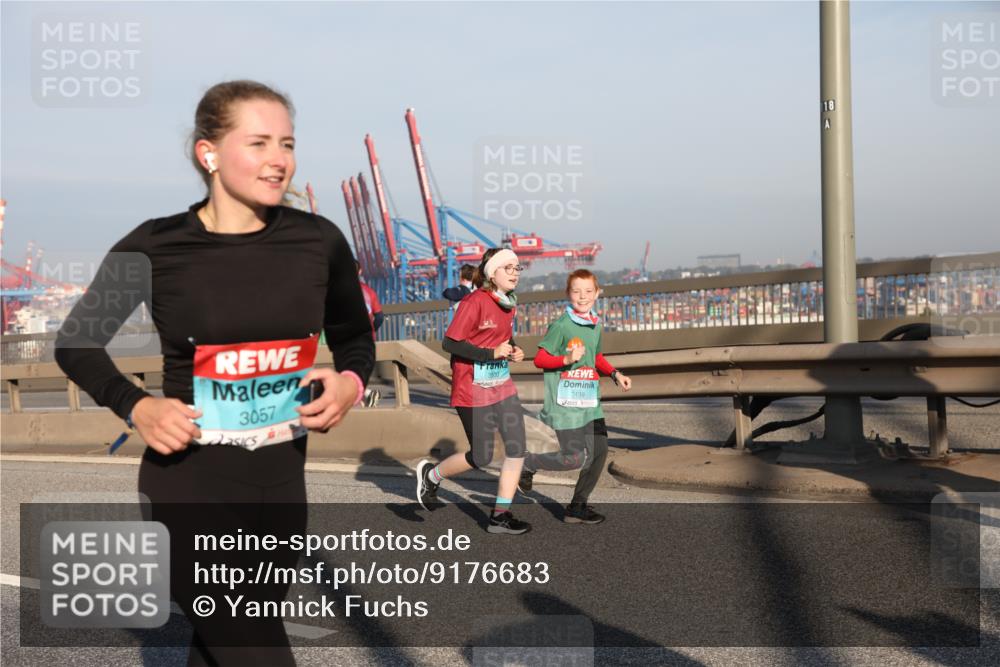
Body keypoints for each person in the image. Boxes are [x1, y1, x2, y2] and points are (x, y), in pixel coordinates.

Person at [55, 80, 375, 666]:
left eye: (287, 143)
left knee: (221, 647)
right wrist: (137, 405)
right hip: (189, 487)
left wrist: (350, 383)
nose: (279, 160)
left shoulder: (319, 240)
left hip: (280, 487)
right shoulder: (155, 246)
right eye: (258, 143)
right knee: (256, 653)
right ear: (209, 153)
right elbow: (77, 342)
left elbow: (356, 338)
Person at [415, 248, 531, 534]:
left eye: (518, 268)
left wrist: (514, 349)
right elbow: (451, 344)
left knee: (517, 447)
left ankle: (499, 516)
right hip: (472, 388)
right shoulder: (474, 301)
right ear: (493, 273)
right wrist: (491, 354)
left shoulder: (509, 303)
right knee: (482, 457)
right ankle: (432, 475)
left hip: (501, 385)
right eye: (509, 268)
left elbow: (503, 337)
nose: (515, 273)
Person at [517, 269, 632, 524]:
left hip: (589, 402)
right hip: (566, 404)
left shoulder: (595, 324)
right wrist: (566, 359)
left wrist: (615, 374)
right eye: (577, 291)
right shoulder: (561, 325)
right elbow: (539, 359)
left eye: (588, 291)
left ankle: (577, 507)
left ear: (597, 293)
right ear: (568, 294)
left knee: (600, 452)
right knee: (574, 458)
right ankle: (529, 462)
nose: (583, 297)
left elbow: (596, 358)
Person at [357, 259, 383, 407]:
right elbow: (379, 316)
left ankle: (367, 394)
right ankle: (365, 398)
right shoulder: (370, 291)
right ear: (360, 271)